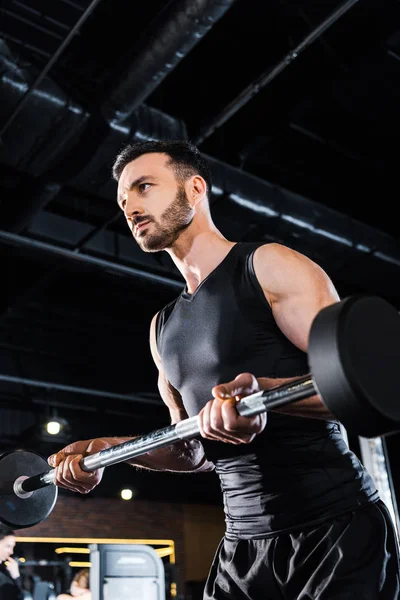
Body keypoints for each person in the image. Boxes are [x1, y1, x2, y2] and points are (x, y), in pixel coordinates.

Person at [48, 139, 400, 599]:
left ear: (194, 189)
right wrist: (111, 449)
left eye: (143, 187)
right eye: (122, 199)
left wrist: (266, 395)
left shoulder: (268, 266)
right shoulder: (162, 328)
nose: (130, 206)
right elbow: (191, 451)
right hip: (242, 549)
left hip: (335, 529)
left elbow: (364, 384)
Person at [0, 525, 24, 600]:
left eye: (12, 547)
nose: (11, 552)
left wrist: (16, 576)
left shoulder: (4, 572)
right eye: (8, 546)